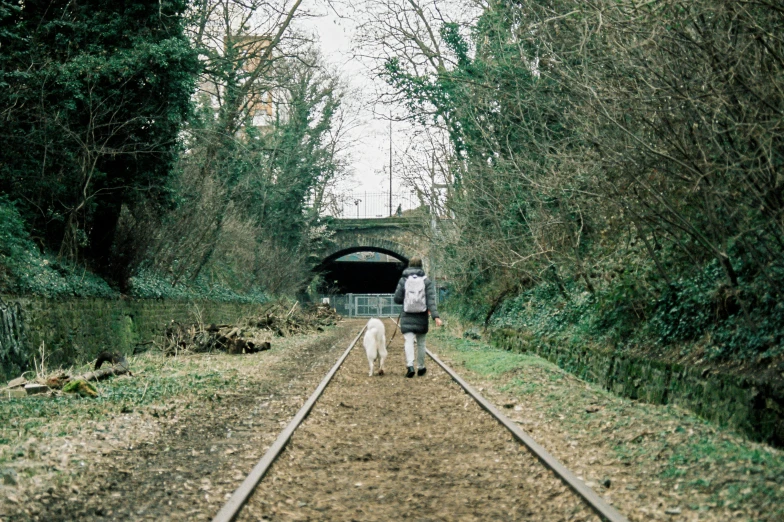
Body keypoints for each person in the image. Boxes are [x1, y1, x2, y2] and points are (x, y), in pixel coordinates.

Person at [393, 257, 442, 378]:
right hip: (421, 316)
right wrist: (436, 317)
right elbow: (431, 301)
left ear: (409, 266)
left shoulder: (403, 280)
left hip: (407, 315)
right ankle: (421, 367)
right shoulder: (426, 281)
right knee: (421, 343)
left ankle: (410, 366)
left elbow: (397, 299)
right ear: (421, 267)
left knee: (408, 341)